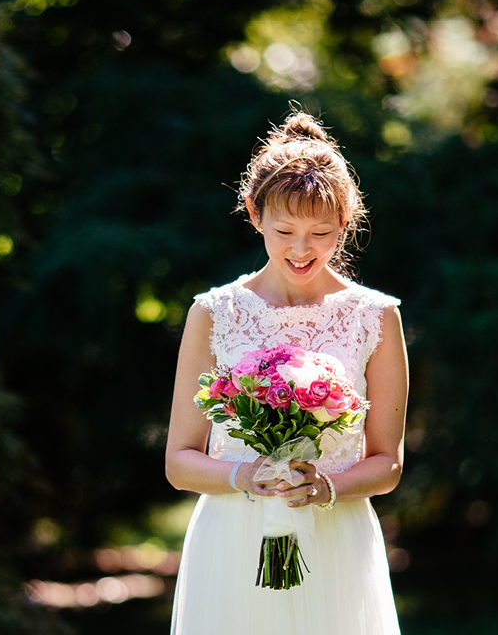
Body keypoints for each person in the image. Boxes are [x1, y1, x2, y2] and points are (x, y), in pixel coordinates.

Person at [165, 110, 409, 635]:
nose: (302, 249)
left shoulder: (377, 317)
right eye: (284, 230)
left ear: (345, 222)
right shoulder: (214, 314)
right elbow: (180, 462)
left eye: (321, 232)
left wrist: (328, 487)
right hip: (232, 539)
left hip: (336, 538)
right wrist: (241, 475)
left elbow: (387, 463)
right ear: (254, 213)